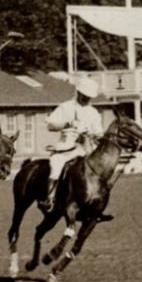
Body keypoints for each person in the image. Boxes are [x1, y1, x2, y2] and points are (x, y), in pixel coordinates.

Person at [41, 76, 104, 213]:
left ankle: (98, 203)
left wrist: (93, 135)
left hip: (86, 150)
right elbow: (50, 125)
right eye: (84, 95)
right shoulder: (65, 107)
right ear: (78, 92)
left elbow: (99, 132)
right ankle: (49, 198)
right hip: (66, 149)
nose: (86, 99)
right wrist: (67, 124)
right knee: (56, 166)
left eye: (89, 97)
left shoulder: (93, 113)